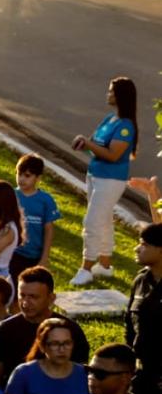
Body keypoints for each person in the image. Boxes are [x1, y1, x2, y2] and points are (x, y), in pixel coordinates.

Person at [70, 77, 137, 286]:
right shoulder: (109, 119)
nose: (107, 94)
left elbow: (113, 154)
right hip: (95, 175)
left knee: (92, 222)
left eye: (111, 91)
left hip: (111, 180)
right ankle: (105, 265)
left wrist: (88, 143)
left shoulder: (126, 127)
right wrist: (85, 142)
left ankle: (86, 268)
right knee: (104, 219)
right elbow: (95, 143)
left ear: (120, 96)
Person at [125, 223, 162, 394]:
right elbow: (129, 326)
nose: (136, 248)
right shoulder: (140, 280)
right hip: (142, 374)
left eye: (144, 244)